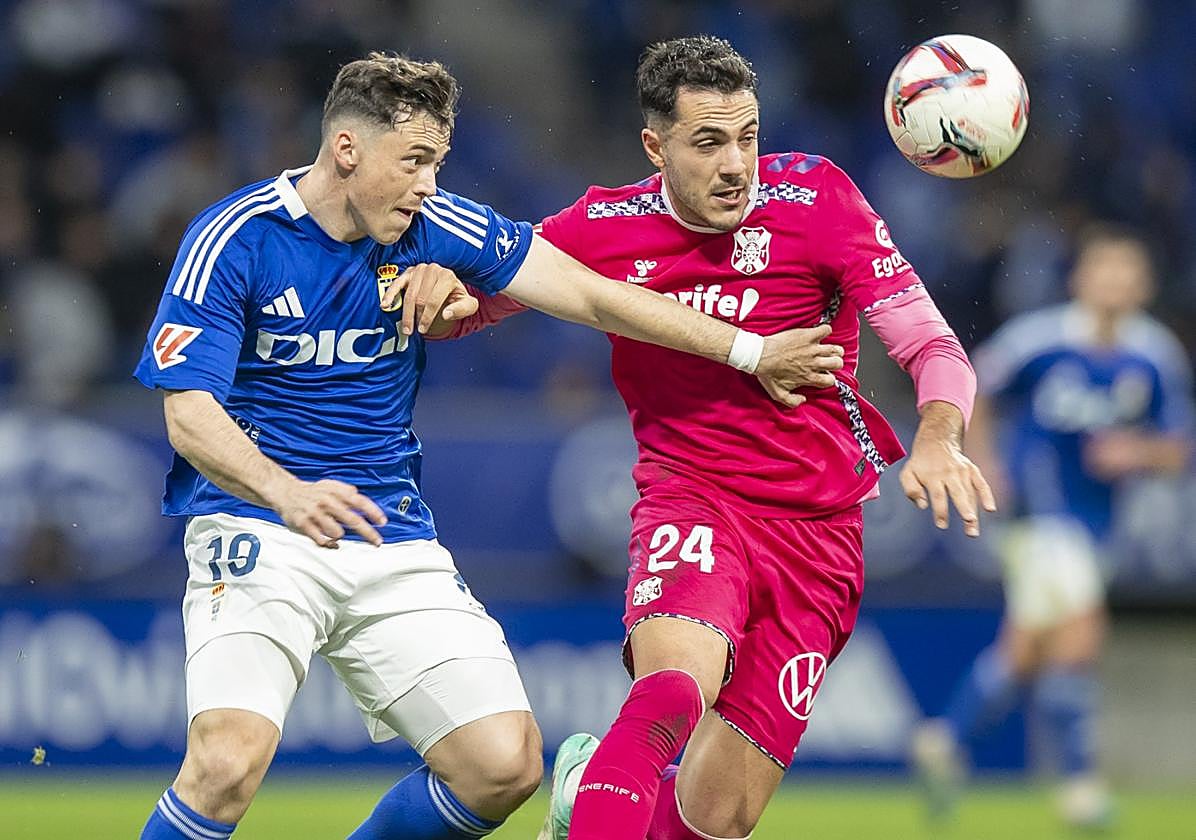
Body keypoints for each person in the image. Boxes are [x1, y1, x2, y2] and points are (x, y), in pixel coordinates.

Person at [132, 51, 842, 840]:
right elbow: (187, 415)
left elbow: (593, 293)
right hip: (257, 526)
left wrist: (748, 350)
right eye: (415, 161)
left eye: (437, 161)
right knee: (227, 763)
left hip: (385, 529)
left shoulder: (439, 226)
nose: (429, 183)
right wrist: (287, 492)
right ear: (346, 150)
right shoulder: (237, 237)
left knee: (505, 766)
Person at [408, 34, 992, 840]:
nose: (735, 164)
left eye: (747, 137)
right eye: (708, 142)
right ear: (657, 145)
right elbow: (476, 305)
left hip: (822, 537)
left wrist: (938, 435)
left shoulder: (819, 201)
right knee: (672, 692)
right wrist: (440, 295)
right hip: (694, 498)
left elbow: (930, 343)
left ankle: (588, 794)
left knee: (716, 817)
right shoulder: (602, 226)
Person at [911, 225, 1193, 829]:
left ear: (1142, 282)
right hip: (1041, 515)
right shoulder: (1039, 340)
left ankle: (945, 738)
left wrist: (1135, 453)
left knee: (1026, 649)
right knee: (1081, 634)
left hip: (1100, 526)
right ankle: (1080, 788)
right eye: (1104, 268)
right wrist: (980, 457)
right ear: (1081, 278)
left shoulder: (1155, 354)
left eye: (1127, 270)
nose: (1115, 281)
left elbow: (1177, 449)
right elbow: (974, 385)